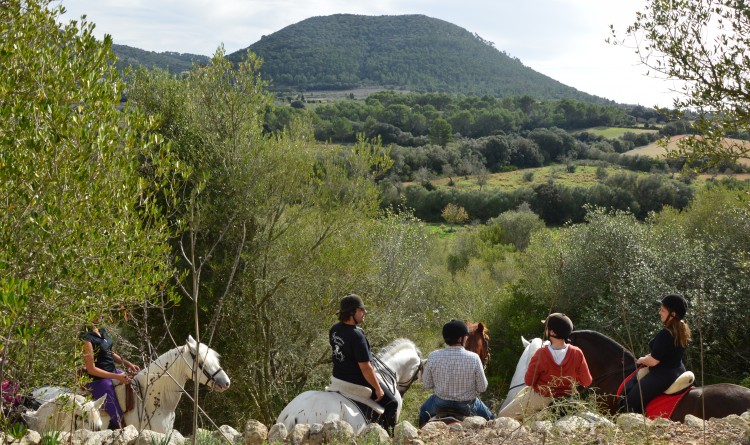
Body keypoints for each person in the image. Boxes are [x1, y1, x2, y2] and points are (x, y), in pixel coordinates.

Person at [497, 313, 592, 420]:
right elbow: (587, 381)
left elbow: (529, 381)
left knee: (503, 416)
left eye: (547, 328)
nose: (545, 330)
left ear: (552, 332)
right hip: (568, 399)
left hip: (542, 398)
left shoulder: (540, 353)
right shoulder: (577, 352)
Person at [329, 294, 398, 432]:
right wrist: (378, 389)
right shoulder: (357, 336)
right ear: (351, 313)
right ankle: (388, 436)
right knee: (392, 403)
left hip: (338, 376)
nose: (365, 312)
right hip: (356, 380)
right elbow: (366, 368)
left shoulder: (334, 329)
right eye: (361, 309)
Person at [622, 294, 691, 413]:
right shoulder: (682, 330)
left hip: (662, 376)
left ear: (673, 314)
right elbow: (668, 354)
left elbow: (654, 361)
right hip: (678, 370)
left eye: (663, 310)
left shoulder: (665, 334)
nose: (660, 313)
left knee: (629, 403)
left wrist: (642, 359)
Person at [419, 319, 495, 427]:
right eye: (466, 336)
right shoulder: (474, 358)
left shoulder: (433, 356)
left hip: (439, 404)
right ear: (460, 338)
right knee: (492, 420)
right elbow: (482, 388)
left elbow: (426, 384)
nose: (467, 338)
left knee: (423, 412)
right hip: (467, 406)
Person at [81, 313, 140, 430]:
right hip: (98, 380)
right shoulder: (86, 338)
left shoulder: (101, 330)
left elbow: (109, 352)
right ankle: (117, 430)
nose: (101, 314)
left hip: (113, 371)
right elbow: (91, 369)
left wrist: (128, 363)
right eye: (98, 311)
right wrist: (117, 377)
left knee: (136, 385)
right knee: (116, 412)